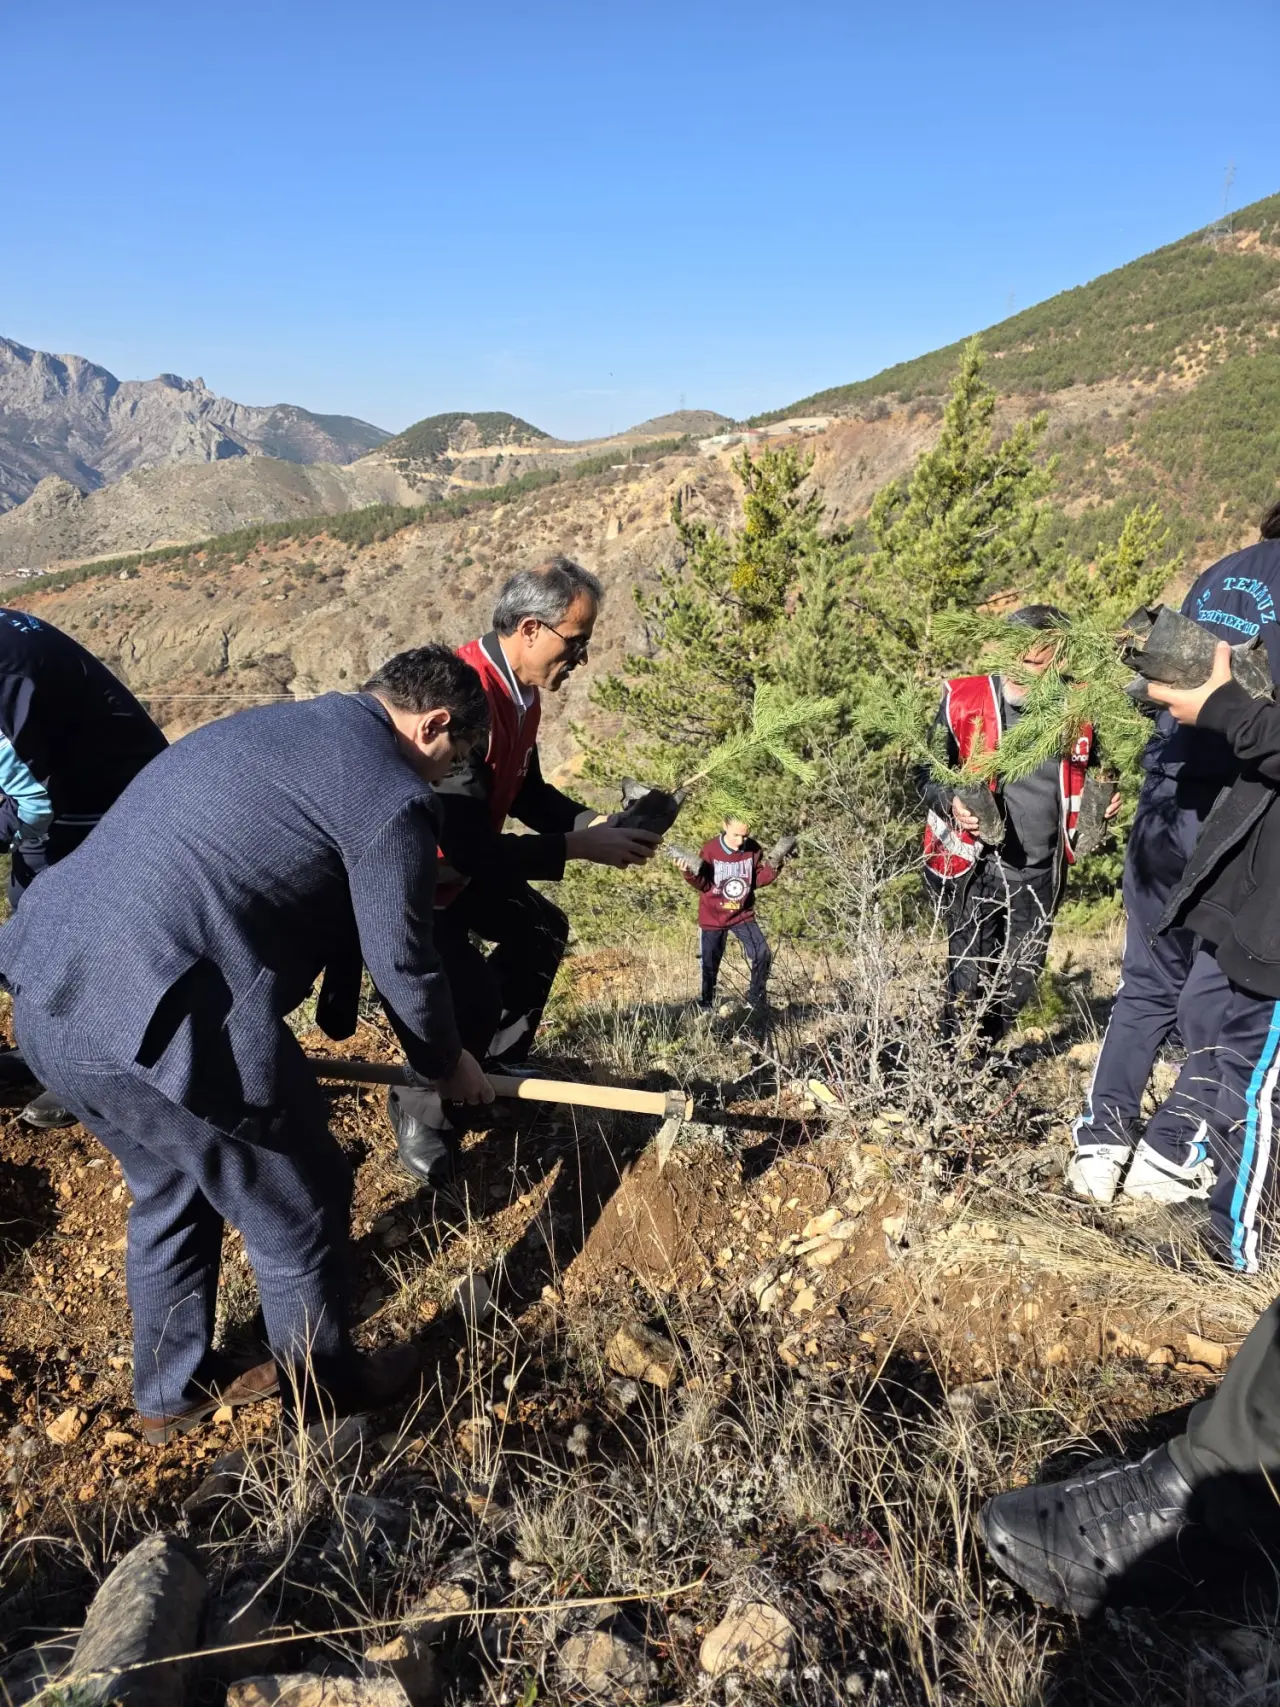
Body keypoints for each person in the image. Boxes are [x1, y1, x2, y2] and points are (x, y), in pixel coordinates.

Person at [0, 646, 494, 1444]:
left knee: (172, 1181)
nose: (443, 778)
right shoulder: (389, 793)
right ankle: (327, 1397)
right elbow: (404, 964)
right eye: (453, 759)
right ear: (434, 722)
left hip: (47, 993)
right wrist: (447, 1062)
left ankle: (169, 1392)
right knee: (302, 1194)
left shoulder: (287, 727)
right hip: (156, 1018)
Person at [387, 558, 661, 1188]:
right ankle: (419, 1105)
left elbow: (526, 792)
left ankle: (499, 1069)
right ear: (533, 629)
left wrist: (592, 823)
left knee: (539, 931)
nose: (584, 657)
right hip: (418, 883)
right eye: (579, 641)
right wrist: (575, 848)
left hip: (463, 867)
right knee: (470, 999)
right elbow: (467, 843)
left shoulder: (524, 696)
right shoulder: (468, 697)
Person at [1068, 499, 1280, 1207]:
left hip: (1167, 792)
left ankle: (1098, 1147)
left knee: (1148, 981)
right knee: (1222, 990)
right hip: (1241, 810)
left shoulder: (1221, 575)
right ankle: (1171, 1155)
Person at [920, 606, 1120, 1046]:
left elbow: (1095, 771)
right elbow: (924, 775)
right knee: (967, 975)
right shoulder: (962, 699)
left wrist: (1103, 804)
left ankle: (985, 1054)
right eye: (1022, 659)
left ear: (1061, 659)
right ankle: (949, 1058)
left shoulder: (1080, 707)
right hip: (975, 866)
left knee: (1020, 979)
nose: (1029, 671)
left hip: (1042, 869)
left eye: (1043, 661)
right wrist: (950, 801)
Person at [0, 608, 167, 1129]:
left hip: (106, 800)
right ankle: (48, 1052)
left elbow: (31, 806)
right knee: (32, 926)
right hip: (72, 780)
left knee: (66, 938)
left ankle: (92, 1073)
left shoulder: (4, 678)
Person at [674, 816, 794, 1015]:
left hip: (742, 914)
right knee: (709, 963)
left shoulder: (753, 849)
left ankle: (755, 1001)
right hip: (713, 916)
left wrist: (775, 866)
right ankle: (706, 1005)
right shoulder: (710, 849)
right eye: (736, 835)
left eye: (745, 836)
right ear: (724, 826)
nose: (740, 841)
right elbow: (704, 884)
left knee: (761, 952)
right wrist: (688, 873)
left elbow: (756, 880)